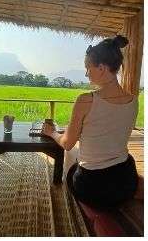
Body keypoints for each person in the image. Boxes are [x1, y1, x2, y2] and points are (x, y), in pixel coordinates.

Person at [42, 35, 138, 209]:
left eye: (88, 68)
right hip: (126, 182)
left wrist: (52, 132)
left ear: (101, 68)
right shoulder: (133, 100)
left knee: (71, 154)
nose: (86, 74)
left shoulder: (86, 100)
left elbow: (67, 143)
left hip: (93, 188)